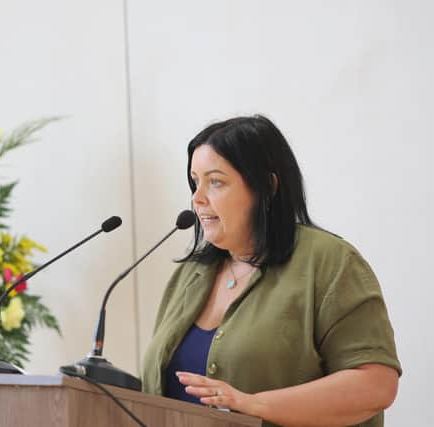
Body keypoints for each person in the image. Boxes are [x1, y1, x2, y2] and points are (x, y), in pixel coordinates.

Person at [141, 115, 401, 427]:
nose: (198, 199)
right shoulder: (190, 275)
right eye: (195, 182)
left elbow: (375, 385)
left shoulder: (330, 263)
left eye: (216, 182)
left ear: (266, 186)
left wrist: (253, 404)